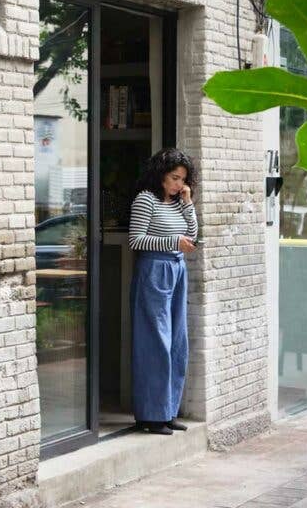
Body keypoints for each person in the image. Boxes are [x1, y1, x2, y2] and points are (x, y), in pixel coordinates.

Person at [128, 148, 198, 435]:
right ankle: (150, 415)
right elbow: (136, 240)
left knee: (177, 342)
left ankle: (167, 411)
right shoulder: (145, 200)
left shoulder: (179, 202)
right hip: (154, 270)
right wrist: (173, 241)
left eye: (182, 179)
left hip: (178, 268)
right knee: (155, 341)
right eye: (174, 177)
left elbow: (192, 234)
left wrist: (188, 204)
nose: (178, 184)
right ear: (160, 175)